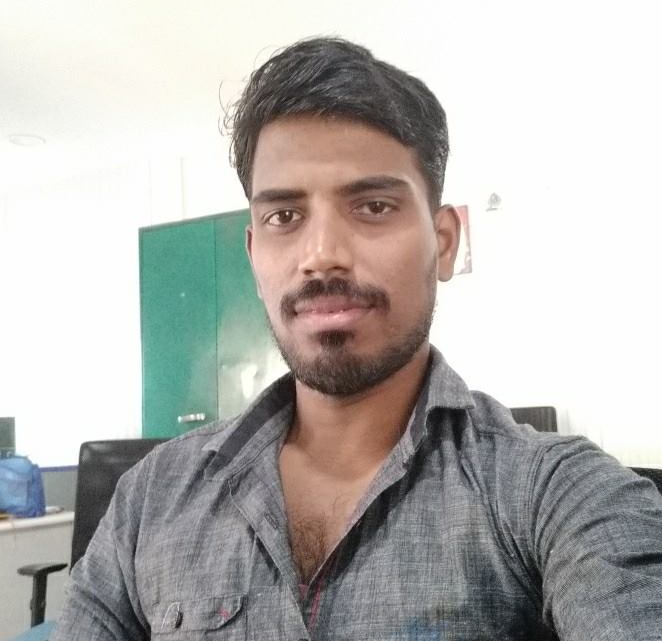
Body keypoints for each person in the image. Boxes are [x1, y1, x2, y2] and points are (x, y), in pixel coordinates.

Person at [52, 38, 662, 641]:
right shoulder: (149, 499)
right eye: (284, 217)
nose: (321, 255)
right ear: (255, 255)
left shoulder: (554, 491)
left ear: (444, 243)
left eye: (372, 206)